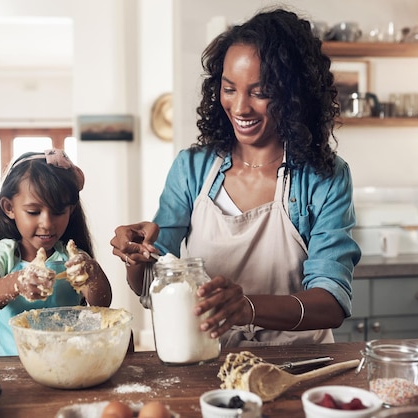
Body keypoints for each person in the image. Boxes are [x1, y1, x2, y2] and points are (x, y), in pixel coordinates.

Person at [110, 8, 361, 347]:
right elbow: (152, 284)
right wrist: (135, 256)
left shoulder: (323, 178)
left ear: (295, 96)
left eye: (260, 92)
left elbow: (331, 301)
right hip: (209, 361)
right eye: (229, 89)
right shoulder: (192, 169)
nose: (240, 107)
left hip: (301, 364)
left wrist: (248, 307)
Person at [0, 149, 112, 356]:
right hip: (12, 366)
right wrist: (17, 282)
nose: (46, 224)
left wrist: (93, 274)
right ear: (9, 207)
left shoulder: (73, 257)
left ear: (70, 210)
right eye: (33, 212)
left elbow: (102, 304)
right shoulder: (4, 254)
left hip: (67, 362)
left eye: (58, 212)